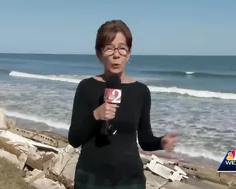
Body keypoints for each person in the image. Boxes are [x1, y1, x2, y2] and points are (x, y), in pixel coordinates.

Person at [68, 19, 177, 189]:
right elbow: (74, 139)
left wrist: (161, 142)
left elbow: (145, 140)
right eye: (109, 48)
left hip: (130, 179)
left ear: (129, 54)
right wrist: (96, 115)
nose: (116, 54)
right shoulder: (86, 87)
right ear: (99, 54)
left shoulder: (141, 91)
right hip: (91, 177)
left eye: (122, 48)